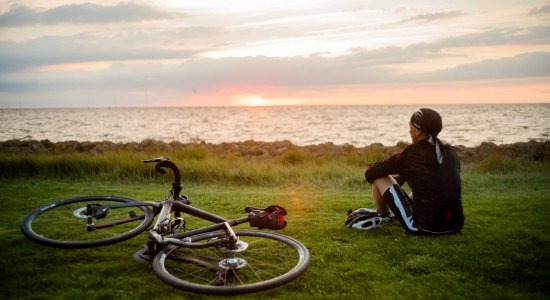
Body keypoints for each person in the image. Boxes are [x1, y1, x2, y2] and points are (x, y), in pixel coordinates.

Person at [350, 108, 464, 234]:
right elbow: (432, 175)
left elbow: (370, 173)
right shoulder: (450, 151)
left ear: (418, 131)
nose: (409, 130)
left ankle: (384, 214)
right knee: (432, 185)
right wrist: (401, 178)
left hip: (424, 226)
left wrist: (386, 176)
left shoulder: (412, 153)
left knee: (380, 176)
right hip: (455, 225)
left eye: (410, 126)